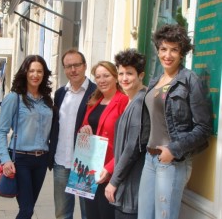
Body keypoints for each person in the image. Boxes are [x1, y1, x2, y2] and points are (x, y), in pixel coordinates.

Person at [137, 24, 212, 219]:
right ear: (158, 50)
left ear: (182, 53)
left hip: (171, 161)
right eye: (163, 49)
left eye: (174, 49)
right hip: (149, 159)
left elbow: (204, 127)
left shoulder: (190, 80)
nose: (167, 55)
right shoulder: (155, 80)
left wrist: (174, 150)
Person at [0, 55, 53, 219]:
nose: (36, 75)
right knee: (26, 209)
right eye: (32, 70)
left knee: (29, 208)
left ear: (44, 75)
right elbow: (1, 131)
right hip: (20, 160)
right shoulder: (14, 98)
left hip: (41, 160)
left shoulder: (47, 100)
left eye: (39, 71)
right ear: (25, 73)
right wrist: (5, 159)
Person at [48, 49, 96, 219]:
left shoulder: (96, 92)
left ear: (84, 66)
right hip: (61, 160)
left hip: (85, 161)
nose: (73, 70)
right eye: (68, 66)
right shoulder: (60, 93)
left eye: (76, 65)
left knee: (88, 212)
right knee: (62, 213)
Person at [79, 61, 129, 219]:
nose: (102, 80)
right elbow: (85, 126)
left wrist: (110, 168)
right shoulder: (94, 101)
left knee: (106, 214)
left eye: (106, 75)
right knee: (91, 213)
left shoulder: (123, 101)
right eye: (98, 77)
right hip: (89, 167)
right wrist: (84, 130)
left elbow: (128, 141)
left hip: (109, 169)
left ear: (115, 77)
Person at [104, 49, 147, 219]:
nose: (124, 78)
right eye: (121, 73)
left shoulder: (140, 102)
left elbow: (132, 147)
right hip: (125, 185)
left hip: (132, 188)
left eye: (129, 73)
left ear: (141, 75)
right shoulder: (131, 100)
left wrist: (114, 181)